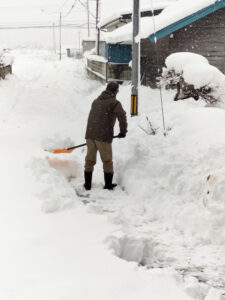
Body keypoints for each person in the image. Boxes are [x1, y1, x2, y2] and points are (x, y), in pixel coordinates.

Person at [84, 81, 128, 190]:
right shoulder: (114, 103)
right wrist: (123, 132)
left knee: (89, 160)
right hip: (103, 136)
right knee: (107, 161)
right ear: (116, 91)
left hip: (90, 134)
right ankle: (108, 185)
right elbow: (122, 117)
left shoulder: (96, 101)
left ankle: (87, 184)